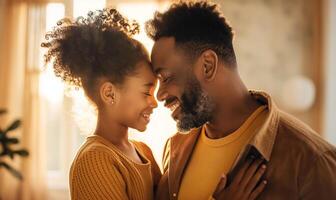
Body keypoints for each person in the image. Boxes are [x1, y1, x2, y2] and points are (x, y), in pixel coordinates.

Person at [42, 8, 266, 200]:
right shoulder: (95, 160)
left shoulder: (143, 152)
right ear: (110, 93)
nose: (155, 100)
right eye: (145, 92)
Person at [145, 1, 336, 200]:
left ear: (207, 66)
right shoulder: (176, 149)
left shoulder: (312, 161)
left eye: (166, 78)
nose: (159, 95)